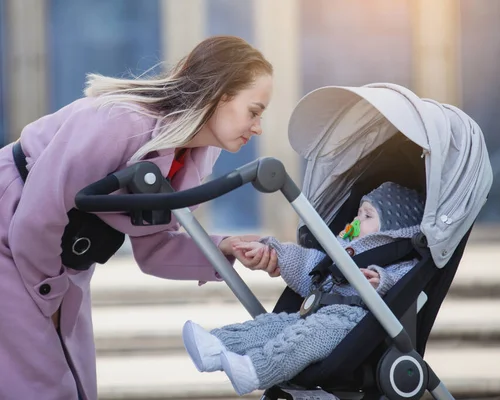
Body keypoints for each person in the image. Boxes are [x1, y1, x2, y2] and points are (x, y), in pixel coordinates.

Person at [0, 35, 280, 400]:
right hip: (13, 229)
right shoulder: (120, 121)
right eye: (254, 111)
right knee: (41, 384)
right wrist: (48, 297)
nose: (257, 127)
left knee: (75, 383)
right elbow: (38, 217)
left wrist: (225, 247)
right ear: (222, 94)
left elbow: (154, 248)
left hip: (65, 252)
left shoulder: (196, 157)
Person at [182, 182, 425, 395]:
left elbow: (404, 284)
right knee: (272, 325)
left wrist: (382, 281)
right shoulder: (338, 251)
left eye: (368, 216)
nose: (356, 220)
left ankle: (256, 370)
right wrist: (275, 252)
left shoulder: (399, 262)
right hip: (315, 311)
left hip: (351, 322)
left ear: (393, 231)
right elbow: (308, 266)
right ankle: (216, 345)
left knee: (306, 336)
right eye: (358, 213)